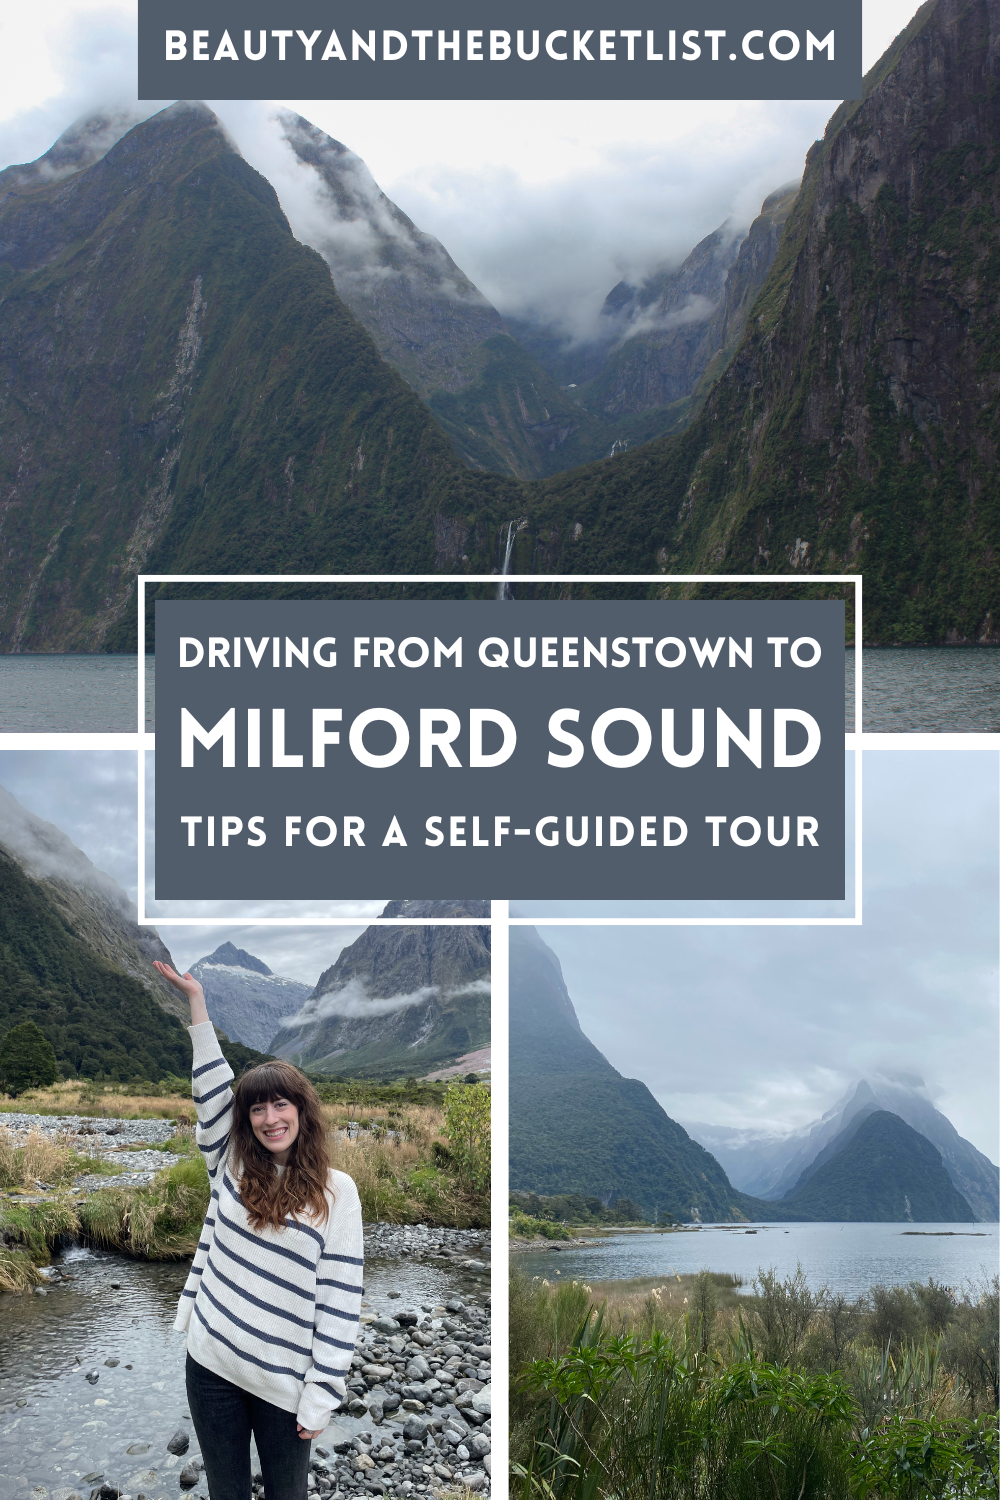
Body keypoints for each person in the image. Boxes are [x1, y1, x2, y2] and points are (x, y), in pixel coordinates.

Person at [153, 961, 364, 1500]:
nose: (270, 1118)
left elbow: (340, 1300)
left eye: (281, 1104)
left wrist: (322, 1393)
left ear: (301, 1111)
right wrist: (197, 1005)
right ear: (243, 1118)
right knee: (226, 1493)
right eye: (257, 1108)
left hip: (283, 1381)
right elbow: (211, 1090)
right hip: (212, 1362)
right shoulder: (229, 1163)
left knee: (287, 1494)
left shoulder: (338, 1193)